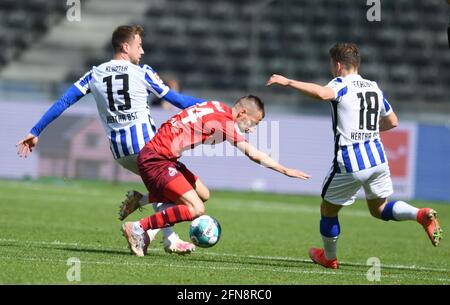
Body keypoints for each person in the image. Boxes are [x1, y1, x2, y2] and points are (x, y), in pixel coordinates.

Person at [16, 25, 206, 255]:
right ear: (126, 47)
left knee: (173, 191)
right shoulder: (142, 72)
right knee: (188, 198)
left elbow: (64, 102)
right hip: (149, 148)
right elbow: (177, 99)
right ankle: (163, 233)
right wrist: (213, 107)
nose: (142, 51)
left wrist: (36, 130)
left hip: (120, 153)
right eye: (139, 45)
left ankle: (150, 213)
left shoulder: (94, 74)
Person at [266, 42, 443, 269]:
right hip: (378, 158)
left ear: (338, 65)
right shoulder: (373, 87)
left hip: (351, 161)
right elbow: (393, 121)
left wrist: (288, 81)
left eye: (332, 64)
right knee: (378, 209)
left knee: (327, 210)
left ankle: (329, 258)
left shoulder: (340, 83)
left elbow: (321, 94)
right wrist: (366, 130)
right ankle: (420, 214)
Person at [120, 95, 311, 256]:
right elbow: (253, 154)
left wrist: (239, 128)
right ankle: (138, 227)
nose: (253, 126)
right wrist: (285, 170)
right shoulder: (225, 122)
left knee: (203, 194)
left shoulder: (217, 106)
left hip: (164, 157)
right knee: (196, 209)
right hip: (157, 160)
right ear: (243, 113)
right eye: (255, 122)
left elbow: (204, 129)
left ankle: (141, 200)